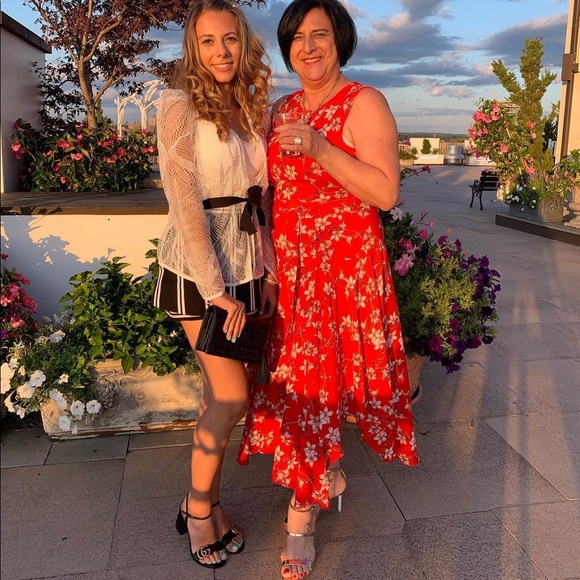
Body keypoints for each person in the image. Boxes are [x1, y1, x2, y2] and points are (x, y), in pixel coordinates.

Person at [237, 0, 419, 577]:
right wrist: (269, 270)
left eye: (320, 35)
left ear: (341, 40)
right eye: (297, 38)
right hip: (294, 274)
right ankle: (325, 475)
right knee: (302, 387)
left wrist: (320, 147)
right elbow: (271, 198)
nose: (308, 47)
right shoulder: (282, 108)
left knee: (317, 386)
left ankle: (301, 518)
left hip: (345, 270)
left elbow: (385, 192)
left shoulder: (365, 102)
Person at [152, 0, 277, 570]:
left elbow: (261, 199)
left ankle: (208, 501)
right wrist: (215, 289)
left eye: (230, 39)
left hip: (246, 266)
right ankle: (199, 510)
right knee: (231, 398)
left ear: (243, 42)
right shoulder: (177, 105)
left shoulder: (252, 103)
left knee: (216, 399)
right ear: (193, 47)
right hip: (198, 271)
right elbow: (183, 203)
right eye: (208, 41)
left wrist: (267, 269)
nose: (221, 51)